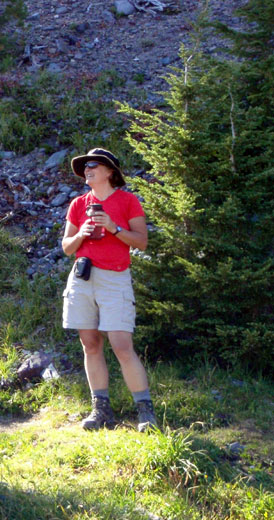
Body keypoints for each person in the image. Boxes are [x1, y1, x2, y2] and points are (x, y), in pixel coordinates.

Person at [61, 148, 157, 432]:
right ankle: (101, 410)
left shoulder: (127, 201)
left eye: (93, 165)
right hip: (82, 278)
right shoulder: (79, 204)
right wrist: (82, 233)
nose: (87, 170)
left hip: (115, 279)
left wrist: (113, 228)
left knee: (121, 345)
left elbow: (141, 241)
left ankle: (145, 411)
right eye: (84, 166)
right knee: (90, 344)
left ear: (110, 172)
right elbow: (67, 247)